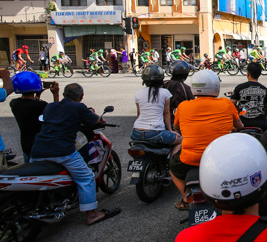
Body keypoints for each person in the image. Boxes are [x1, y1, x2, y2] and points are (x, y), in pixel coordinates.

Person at [30, 83, 121, 225]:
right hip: (62, 151)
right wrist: (91, 112)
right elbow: (96, 120)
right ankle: (91, 214)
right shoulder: (78, 107)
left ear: (64, 94)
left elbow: (58, 111)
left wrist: (55, 94)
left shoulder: (51, 107)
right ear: (81, 96)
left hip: (37, 151)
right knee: (86, 177)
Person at [172, 70, 243, 210]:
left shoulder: (183, 106)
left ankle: (186, 197)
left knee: (173, 168)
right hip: (221, 158)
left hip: (189, 160)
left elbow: (176, 127)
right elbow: (240, 126)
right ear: (216, 87)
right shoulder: (226, 104)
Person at [132, 64, 183, 154]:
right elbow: (166, 113)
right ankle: (172, 166)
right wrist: (170, 130)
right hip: (155, 132)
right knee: (182, 140)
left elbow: (139, 115)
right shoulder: (165, 93)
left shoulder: (138, 93)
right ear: (161, 80)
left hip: (136, 132)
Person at [9, 73, 59, 163]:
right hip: (41, 144)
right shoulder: (41, 105)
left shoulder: (14, 103)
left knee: (29, 169)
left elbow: (31, 104)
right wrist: (56, 94)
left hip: (26, 144)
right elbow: (56, 113)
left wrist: (37, 95)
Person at [230, 62, 267, 132]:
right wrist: (266, 117)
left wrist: (237, 110)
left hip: (243, 122)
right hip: (261, 123)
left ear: (248, 73)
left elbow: (231, 104)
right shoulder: (264, 89)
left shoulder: (239, 88)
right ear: (259, 74)